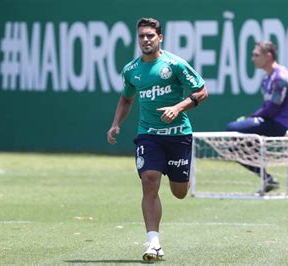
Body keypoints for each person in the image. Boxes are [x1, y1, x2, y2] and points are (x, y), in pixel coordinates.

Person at [106, 17, 208, 261]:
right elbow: (126, 98)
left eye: (150, 35)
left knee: (179, 192)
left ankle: (184, 176)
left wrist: (179, 107)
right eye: (141, 36)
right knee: (149, 180)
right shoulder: (132, 70)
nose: (145, 40)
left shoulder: (175, 65)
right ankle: (154, 243)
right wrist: (115, 124)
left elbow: (202, 91)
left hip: (178, 135)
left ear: (160, 38)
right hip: (148, 135)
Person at [226, 41, 288, 193]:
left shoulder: (281, 77)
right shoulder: (267, 78)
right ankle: (268, 179)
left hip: (276, 124)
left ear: (268, 56)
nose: (253, 58)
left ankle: (265, 167)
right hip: (269, 121)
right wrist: (252, 118)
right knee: (234, 149)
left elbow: (272, 110)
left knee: (231, 129)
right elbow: (267, 107)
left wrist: (251, 118)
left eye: (256, 55)